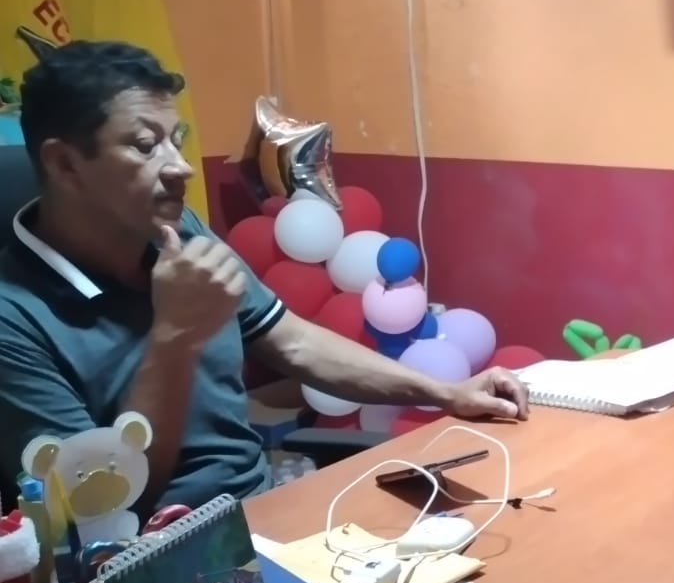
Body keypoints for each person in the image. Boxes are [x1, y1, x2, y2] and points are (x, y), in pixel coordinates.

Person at [0, 40, 528, 518]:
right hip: (153, 562)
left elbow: (292, 342)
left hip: (264, 513)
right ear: (65, 165)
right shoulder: (12, 316)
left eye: (177, 141)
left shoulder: (176, 231)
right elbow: (99, 509)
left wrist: (446, 392)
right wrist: (175, 336)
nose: (181, 167)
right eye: (145, 145)